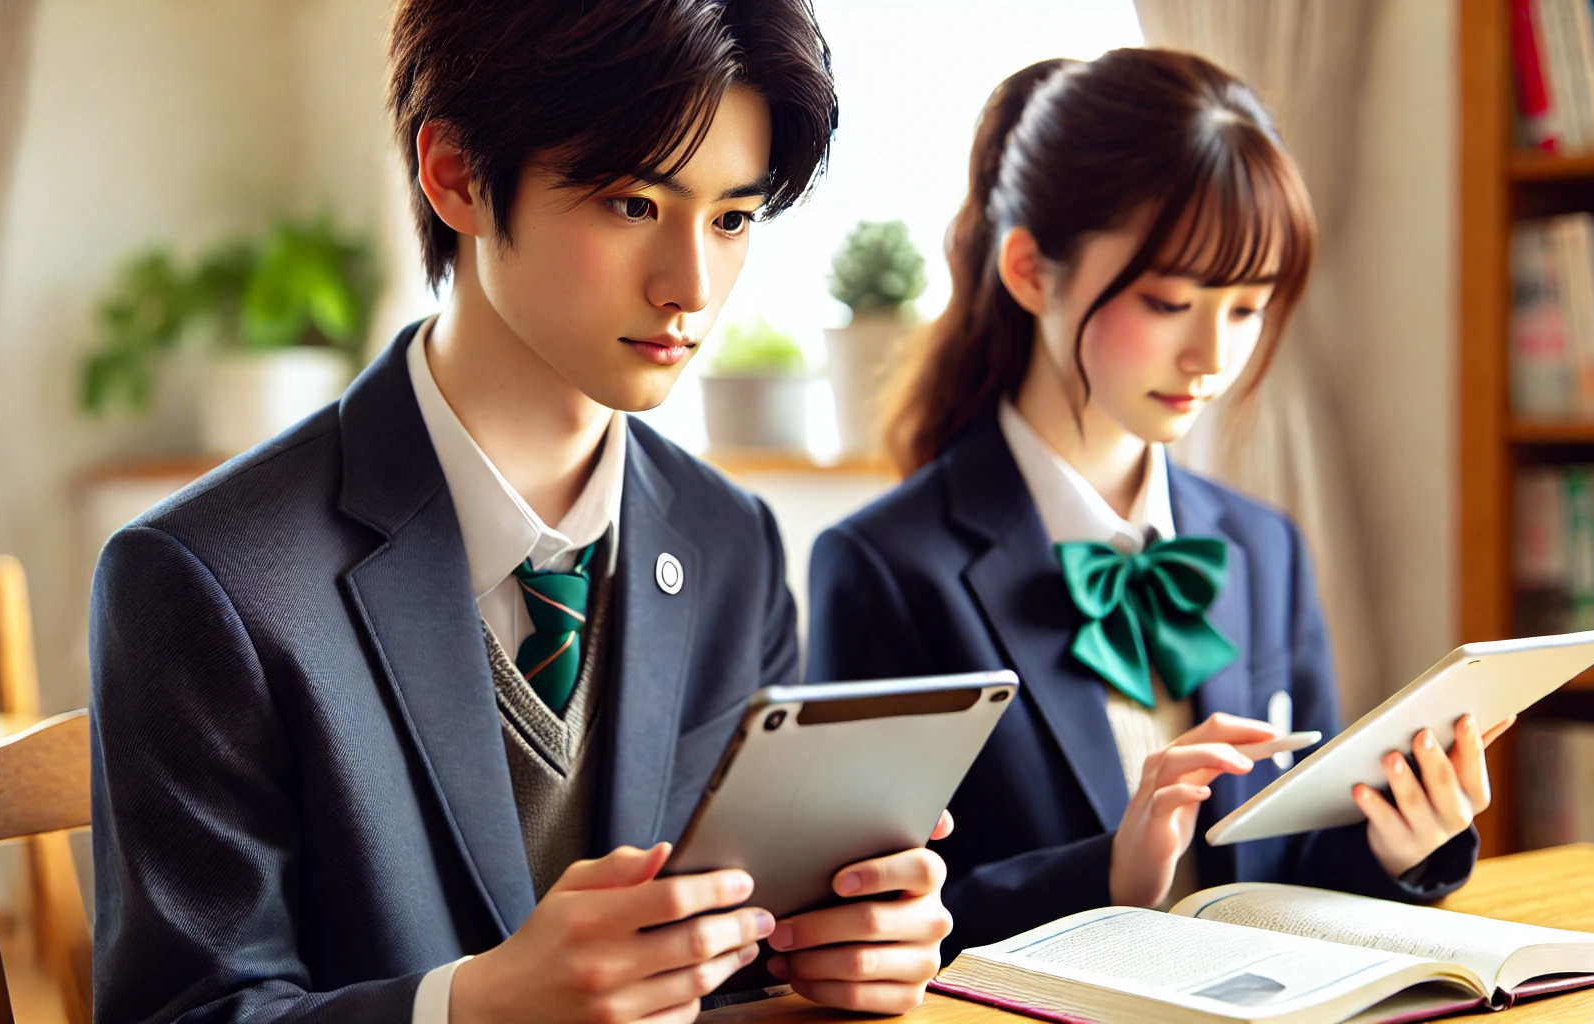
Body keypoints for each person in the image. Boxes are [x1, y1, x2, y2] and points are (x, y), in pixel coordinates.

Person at [89, 3, 953, 1021]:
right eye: (634, 204)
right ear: (454, 174)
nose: (691, 286)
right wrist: (466, 1007)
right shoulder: (208, 577)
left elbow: (738, 945)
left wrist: (846, 943)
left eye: (731, 219)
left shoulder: (730, 540)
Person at [805, 49, 1513, 957]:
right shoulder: (889, 568)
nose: (1211, 355)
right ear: (1028, 269)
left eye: (1248, 307)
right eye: (1170, 300)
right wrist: (1108, 874)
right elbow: (852, 928)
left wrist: (1402, 840)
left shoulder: (1262, 547)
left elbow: (1300, 869)